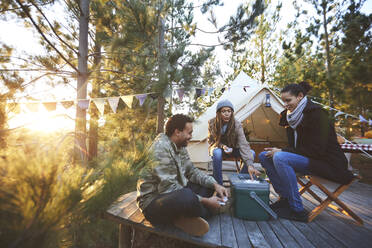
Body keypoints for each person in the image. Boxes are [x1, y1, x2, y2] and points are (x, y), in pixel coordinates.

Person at [259, 81, 353, 222]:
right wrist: (283, 150)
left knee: (280, 157)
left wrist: (283, 151)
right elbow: (295, 145)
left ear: (300, 96)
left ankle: (297, 210)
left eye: (288, 100)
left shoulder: (318, 114)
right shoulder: (289, 117)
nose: (285, 104)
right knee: (264, 156)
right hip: (308, 159)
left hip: (327, 162)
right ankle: (285, 199)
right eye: (283, 101)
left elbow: (317, 150)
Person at [137, 114, 228, 237]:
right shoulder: (160, 149)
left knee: (208, 186)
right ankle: (198, 213)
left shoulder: (180, 145)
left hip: (174, 192)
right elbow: (168, 188)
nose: (191, 137)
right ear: (177, 132)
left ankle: (182, 217)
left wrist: (215, 184)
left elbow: (192, 171)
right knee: (187, 197)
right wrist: (206, 201)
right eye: (189, 133)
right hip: (154, 202)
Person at [208, 99, 259, 185]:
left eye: (229, 111)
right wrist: (223, 146)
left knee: (251, 153)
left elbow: (243, 142)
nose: (227, 114)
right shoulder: (212, 123)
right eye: (223, 111)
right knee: (216, 153)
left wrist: (250, 164)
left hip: (234, 148)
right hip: (219, 148)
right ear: (219, 113)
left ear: (232, 112)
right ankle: (219, 185)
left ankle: (239, 181)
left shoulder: (237, 124)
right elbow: (211, 141)